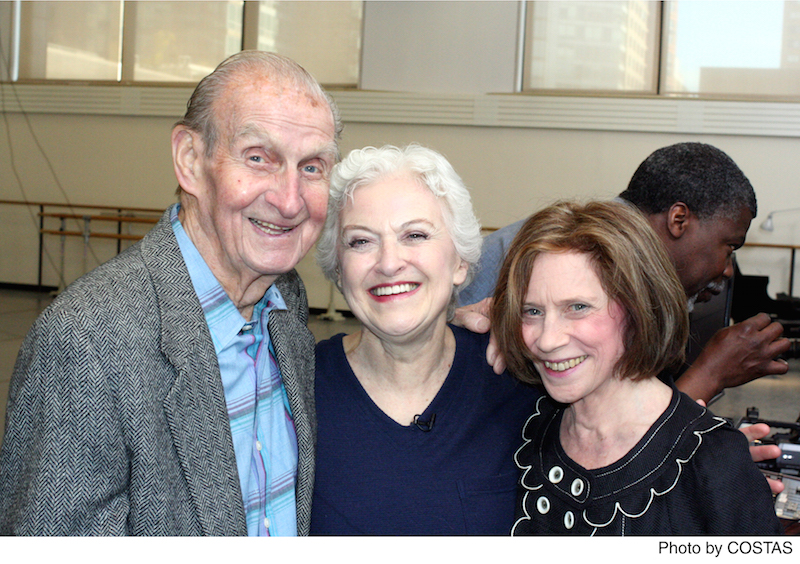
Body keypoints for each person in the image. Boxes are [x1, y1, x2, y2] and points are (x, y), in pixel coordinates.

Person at [0, 51, 341, 535]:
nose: (289, 201)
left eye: (312, 167)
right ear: (190, 160)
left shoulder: (285, 301)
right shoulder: (87, 343)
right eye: (258, 158)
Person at [491, 200, 783, 535]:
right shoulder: (521, 424)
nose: (546, 340)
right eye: (532, 312)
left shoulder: (715, 463)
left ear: (638, 308)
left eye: (577, 307)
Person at [310, 144, 541, 535]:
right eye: (361, 241)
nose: (388, 262)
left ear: (461, 261)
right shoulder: (293, 390)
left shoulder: (520, 384)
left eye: (415, 235)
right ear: (338, 267)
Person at [459, 143, 790, 404]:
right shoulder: (563, 258)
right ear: (679, 220)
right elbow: (605, 437)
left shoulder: (631, 269)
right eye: (729, 247)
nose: (727, 269)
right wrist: (709, 374)